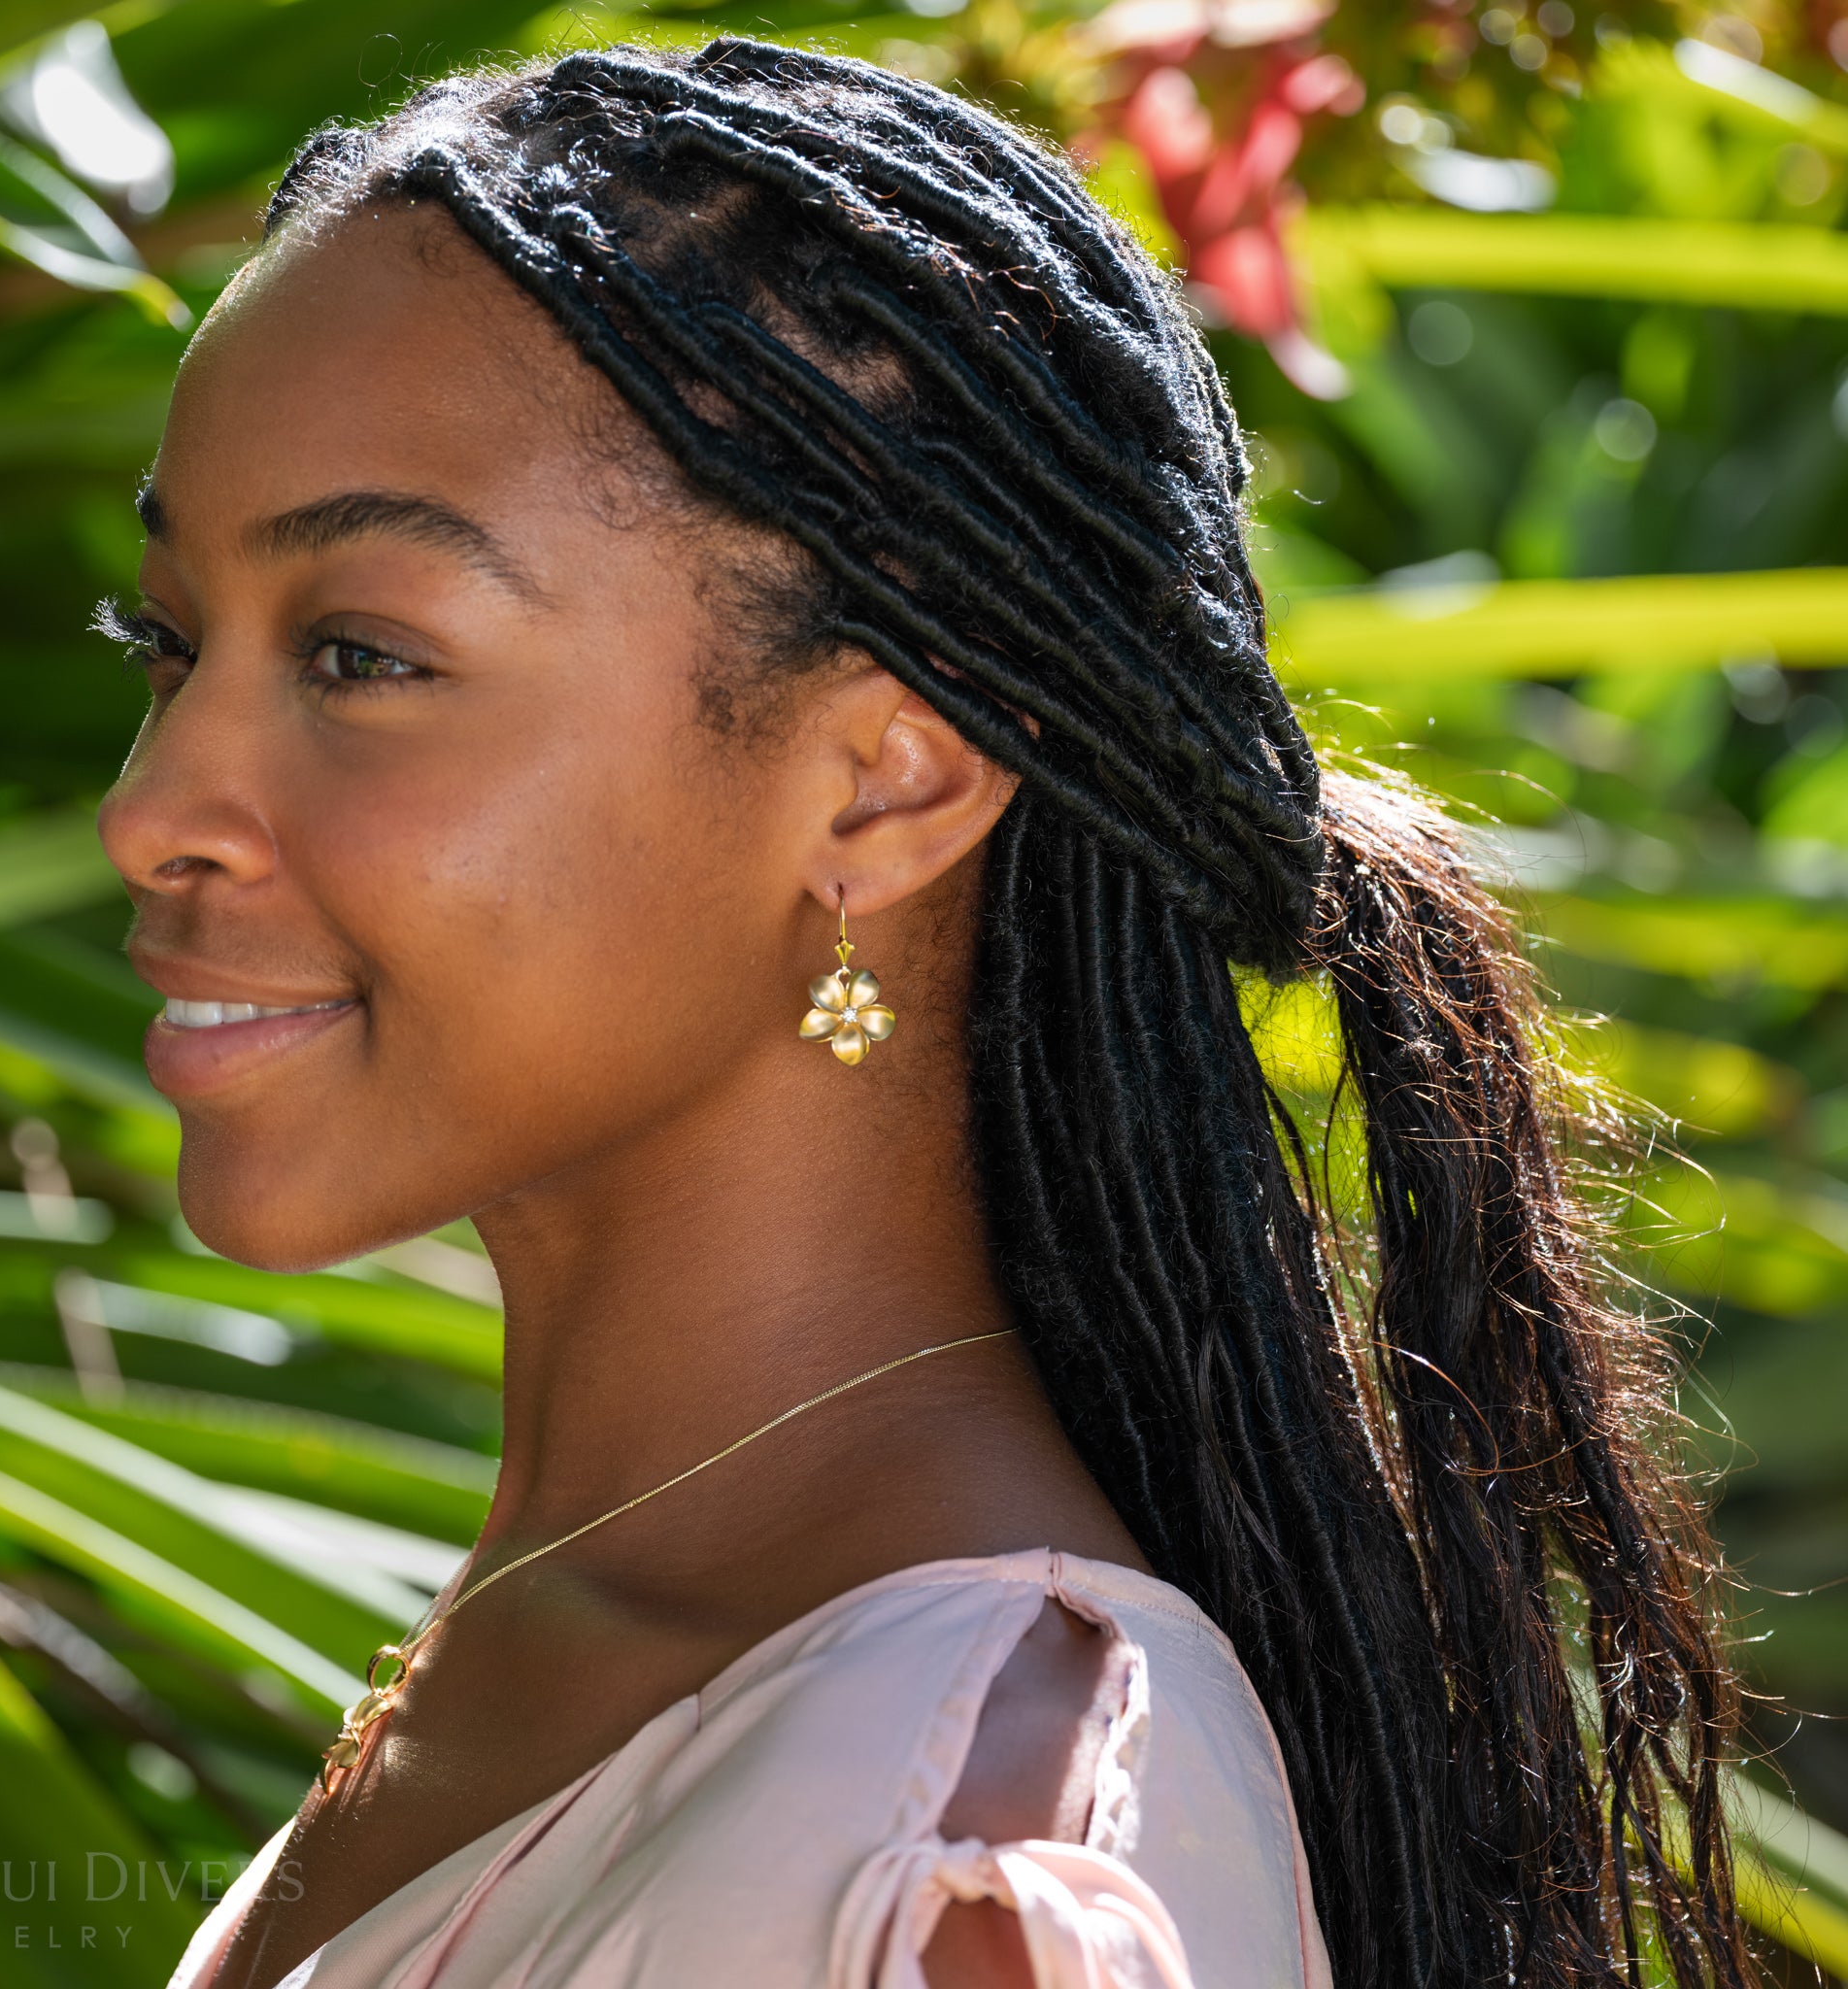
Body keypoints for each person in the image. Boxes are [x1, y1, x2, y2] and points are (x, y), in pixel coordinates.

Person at [98, 37, 1753, 1989]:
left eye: (362, 654)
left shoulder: (975, 1849)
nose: (150, 814)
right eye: (167, 642)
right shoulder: (638, 1623)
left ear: (885, 784)